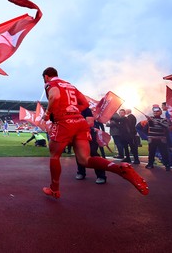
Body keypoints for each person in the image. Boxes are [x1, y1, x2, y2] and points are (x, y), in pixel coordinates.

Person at [40, 67, 148, 199]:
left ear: (46, 77)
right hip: (79, 122)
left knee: (54, 155)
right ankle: (119, 169)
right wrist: (73, 110)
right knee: (85, 159)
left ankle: (54, 189)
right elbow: (84, 103)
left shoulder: (50, 84)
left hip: (64, 122)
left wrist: (47, 114)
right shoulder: (70, 85)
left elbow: (55, 96)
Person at [75, 108, 107, 184]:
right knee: (78, 153)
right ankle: (81, 172)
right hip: (76, 133)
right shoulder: (69, 109)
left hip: (88, 133)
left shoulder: (86, 109)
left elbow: (90, 123)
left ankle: (101, 175)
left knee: (93, 153)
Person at [141, 104, 171, 171]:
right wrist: (150, 120)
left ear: (160, 112)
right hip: (152, 139)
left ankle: (167, 165)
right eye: (154, 112)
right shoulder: (150, 120)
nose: (155, 113)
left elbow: (166, 127)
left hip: (161, 139)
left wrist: (156, 122)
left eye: (157, 111)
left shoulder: (164, 120)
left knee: (164, 152)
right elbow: (145, 128)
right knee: (151, 152)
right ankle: (150, 164)